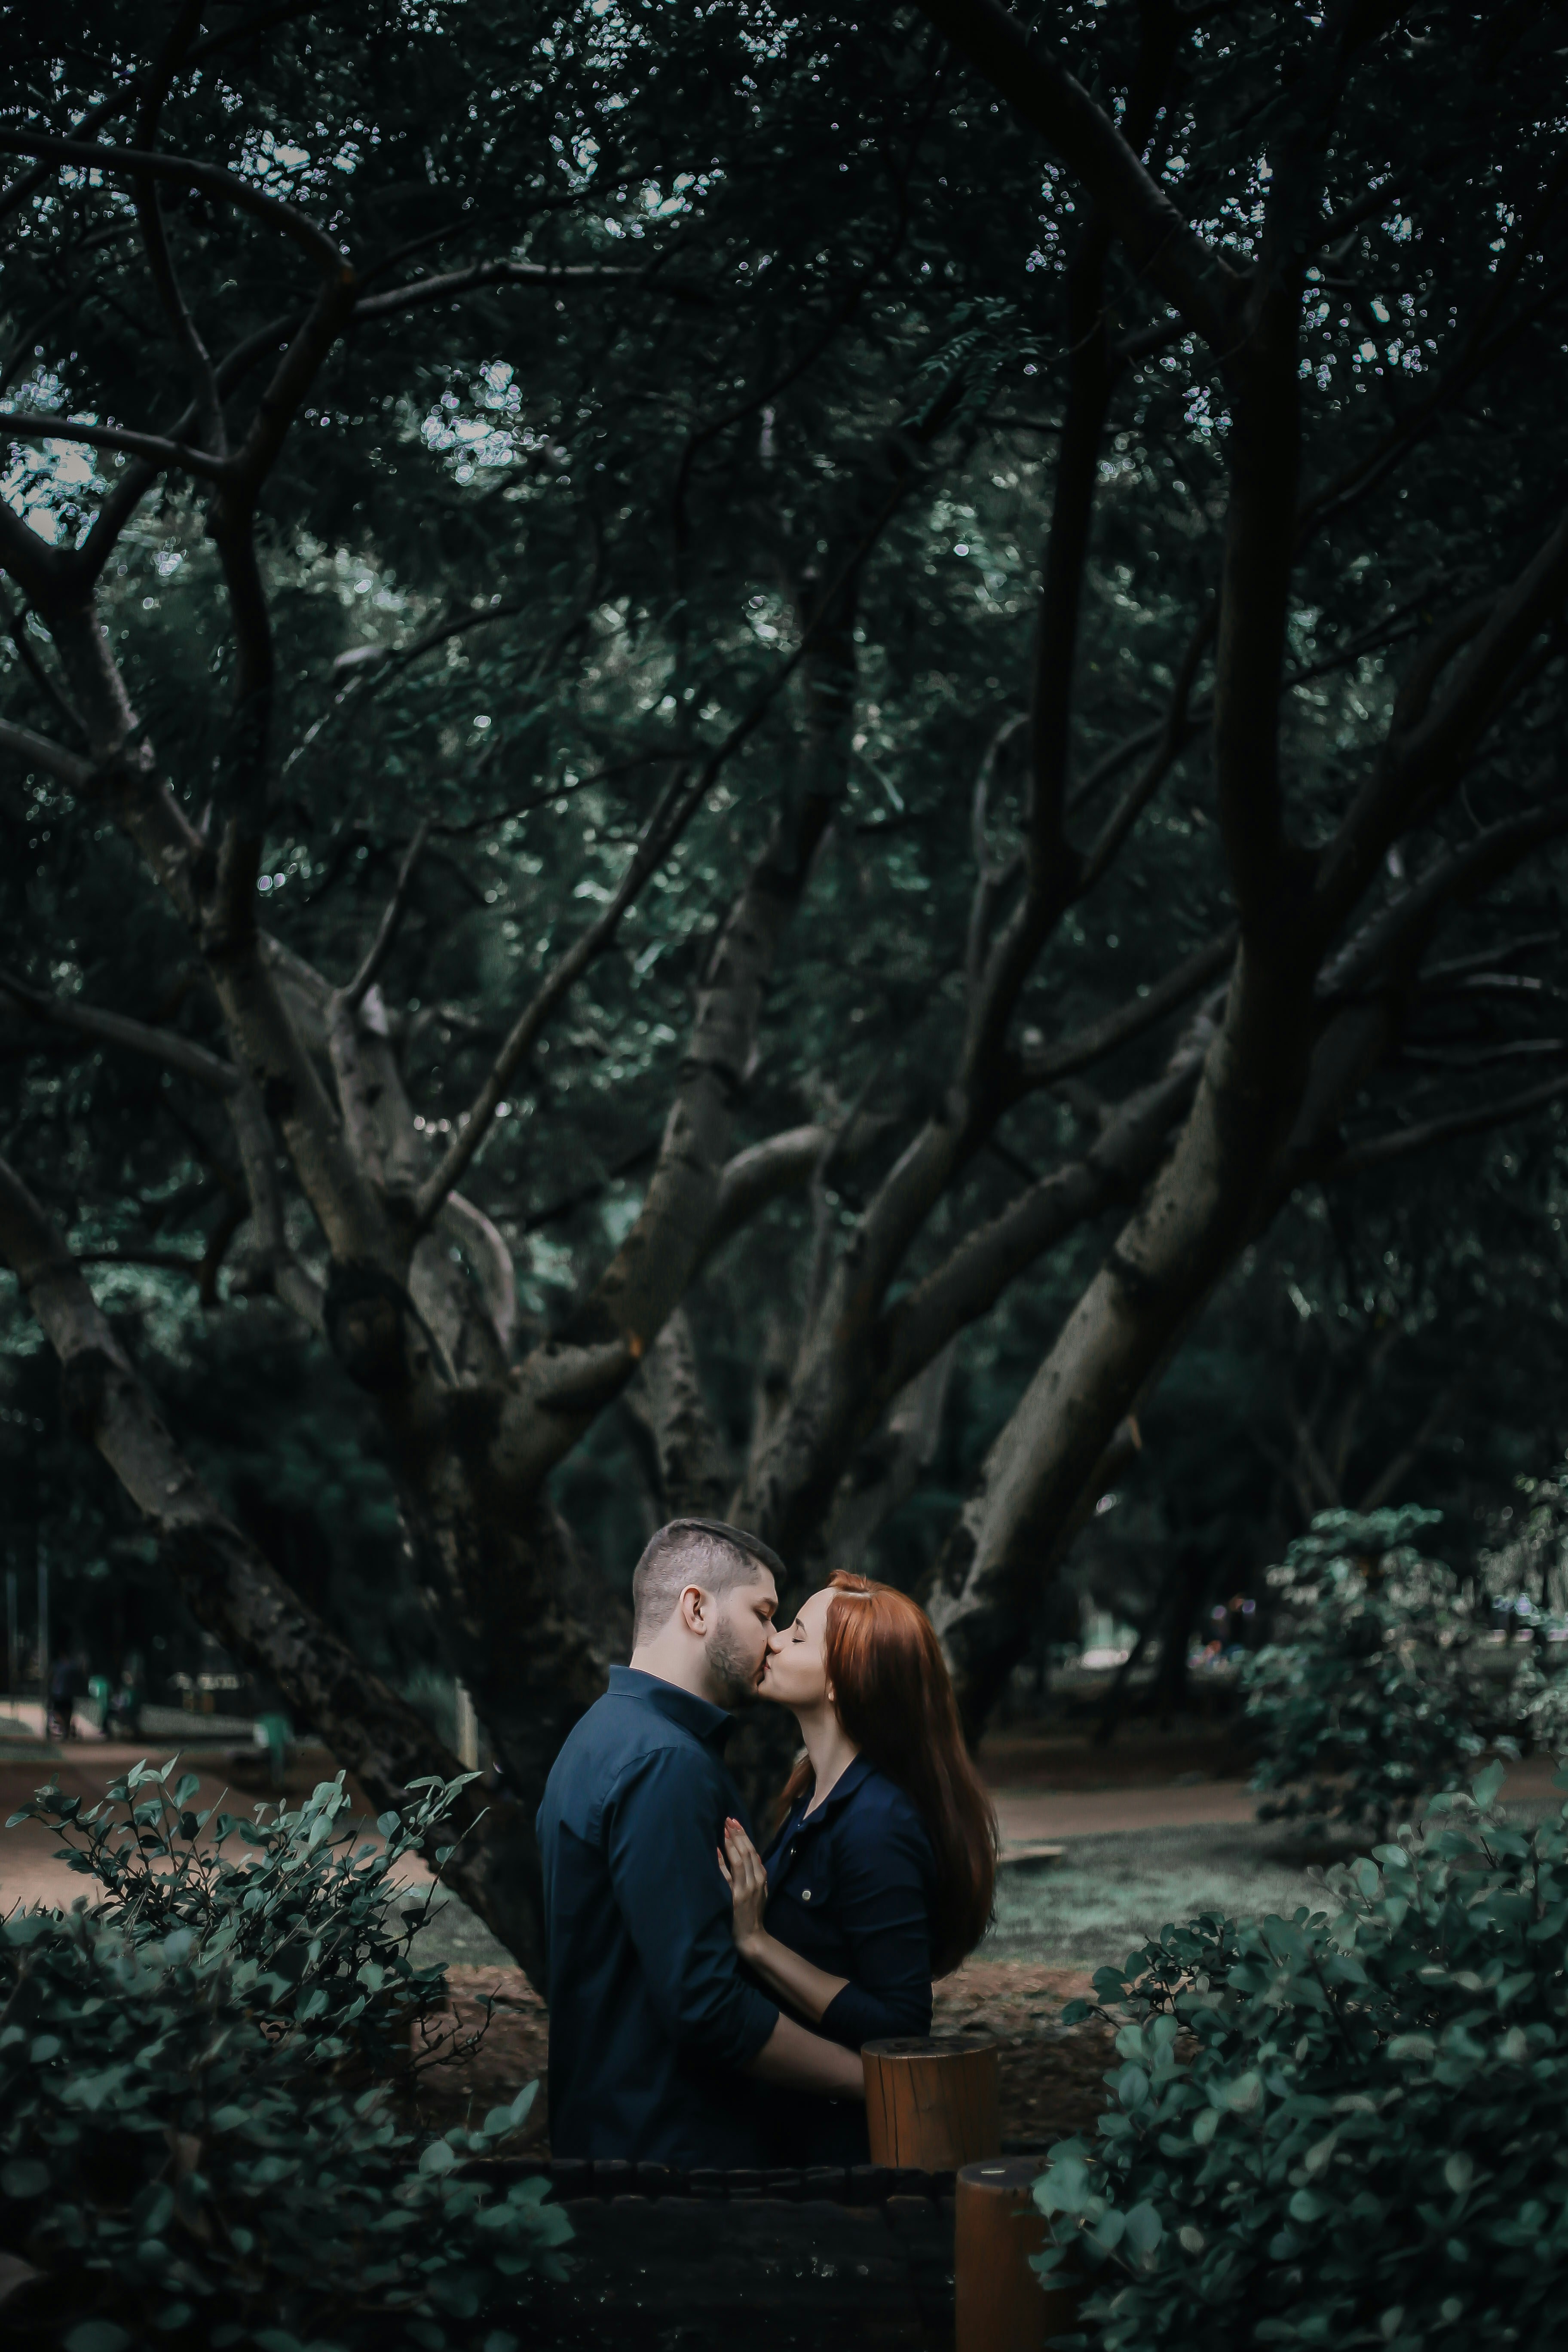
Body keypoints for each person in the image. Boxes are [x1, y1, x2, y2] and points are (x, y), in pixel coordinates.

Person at [536, 1518, 867, 2164]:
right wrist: (870, 2082)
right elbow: (708, 2004)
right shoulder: (664, 1761)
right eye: (764, 1614)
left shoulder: (602, 1735)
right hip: (669, 2163)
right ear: (696, 1608)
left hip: (617, 2144)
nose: (773, 1641)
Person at [718, 1569, 998, 2165]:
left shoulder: (877, 1823)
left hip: (841, 2161)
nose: (771, 1642)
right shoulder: (813, 1795)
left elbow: (901, 2025)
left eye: (796, 1637)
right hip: (787, 2137)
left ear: (842, 1682)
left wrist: (759, 1945)